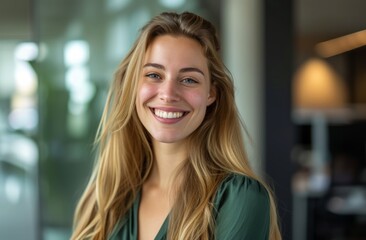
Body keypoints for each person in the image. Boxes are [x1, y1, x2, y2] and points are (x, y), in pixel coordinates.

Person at [71, 11, 282, 240]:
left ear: (211, 93)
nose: (168, 94)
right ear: (132, 84)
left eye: (189, 79)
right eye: (154, 75)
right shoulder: (107, 197)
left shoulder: (239, 198)